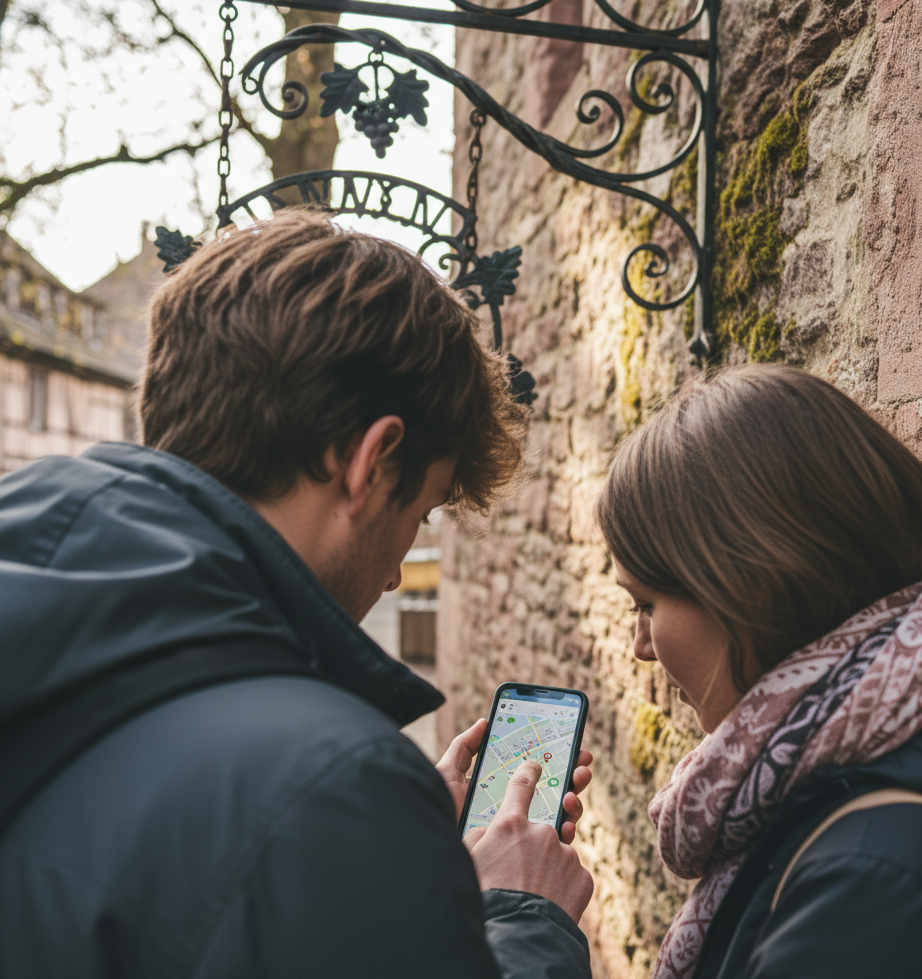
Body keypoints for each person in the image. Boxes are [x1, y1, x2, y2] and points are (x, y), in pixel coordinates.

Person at [0, 208, 594, 978]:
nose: (392, 575)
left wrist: (388, 856)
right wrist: (523, 917)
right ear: (372, 461)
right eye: (417, 513)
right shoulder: (336, 787)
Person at [596, 364, 922, 979]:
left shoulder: (873, 891)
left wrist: (526, 925)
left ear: (746, 586)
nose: (640, 646)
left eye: (646, 604)